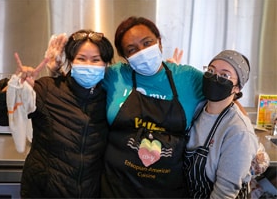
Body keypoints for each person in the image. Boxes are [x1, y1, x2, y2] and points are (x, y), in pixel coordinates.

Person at [0, 29, 114, 198]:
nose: (88, 65)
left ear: (105, 64)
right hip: (43, 192)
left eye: (96, 60)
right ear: (71, 61)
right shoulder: (47, 89)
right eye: (81, 58)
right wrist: (15, 85)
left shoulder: (109, 99)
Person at [100, 16, 205, 198]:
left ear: (159, 42)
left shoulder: (188, 78)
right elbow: (76, 92)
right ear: (125, 57)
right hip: (117, 189)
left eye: (147, 43)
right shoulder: (115, 76)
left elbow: (227, 101)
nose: (142, 52)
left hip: (168, 190)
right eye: (132, 50)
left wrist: (248, 142)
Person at [183, 50, 259, 198]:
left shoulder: (239, 132)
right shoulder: (197, 108)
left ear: (237, 88)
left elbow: (225, 193)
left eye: (225, 75)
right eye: (211, 71)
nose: (214, 78)